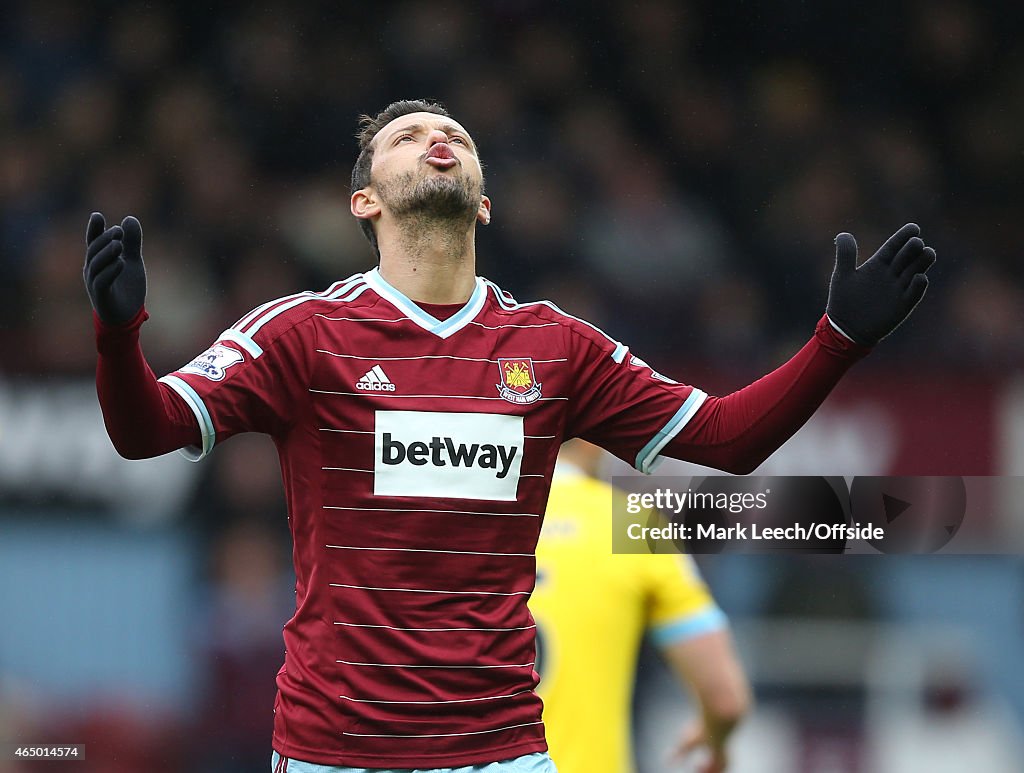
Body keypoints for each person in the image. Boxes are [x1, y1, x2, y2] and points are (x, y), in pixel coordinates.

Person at [82, 98, 935, 772]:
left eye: (452, 132)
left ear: (484, 202)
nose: (435, 138)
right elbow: (145, 429)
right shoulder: (301, 332)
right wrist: (119, 337)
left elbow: (726, 438)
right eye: (407, 136)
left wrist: (837, 342)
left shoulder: (554, 345)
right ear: (365, 199)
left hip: (500, 750)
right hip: (333, 750)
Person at [532, 440, 750, 773]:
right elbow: (725, 702)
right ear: (593, 441)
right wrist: (715, 741)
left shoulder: (462, 520)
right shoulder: (632, 524)